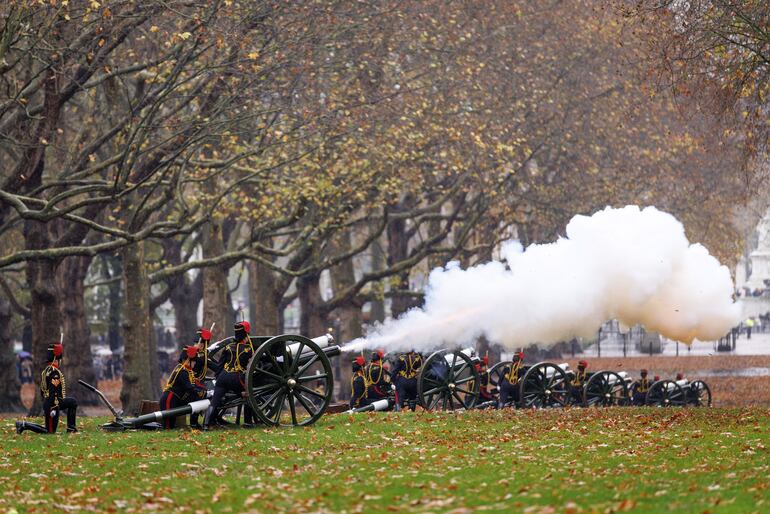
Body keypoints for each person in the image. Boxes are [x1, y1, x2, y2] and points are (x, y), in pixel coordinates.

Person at [16, 343, 78, 434]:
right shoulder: (54, 373)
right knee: (49, 431)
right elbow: (54, 392)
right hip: (53, 404)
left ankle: (71, 428)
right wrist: (54, 408)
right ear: (56, 360)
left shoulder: (47, 371)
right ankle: (24, 425)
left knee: (72, 402)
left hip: (54, 401)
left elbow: (42, 390)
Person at [204, 321, 255, 430]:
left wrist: (217, 379)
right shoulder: (248, 349)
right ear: (245, 336)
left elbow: (219, 367)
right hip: (236, 378)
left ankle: (206, 424)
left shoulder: (228, 347)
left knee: (214, 401)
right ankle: (248, 422)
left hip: (222, 377)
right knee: (248, 394)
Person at [159, 345, 208, 429]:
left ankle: (194, 423)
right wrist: (200, 392)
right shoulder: (182, 372)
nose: (195, 363)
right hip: (169, 399)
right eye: (194, 361)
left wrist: (204, 391)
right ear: (188, 360)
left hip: (175, 399)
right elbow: (189, 387)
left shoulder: (186, 370)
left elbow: (194, 384)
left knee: (171, 425)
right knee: (168, 426)